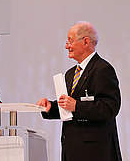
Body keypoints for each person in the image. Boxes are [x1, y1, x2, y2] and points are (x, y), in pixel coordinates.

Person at [36, 22, 122, 161]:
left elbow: (110, 107)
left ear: (86, 41)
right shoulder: (70, 74)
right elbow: (68, 109)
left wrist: (76, 106)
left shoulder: (103, 69)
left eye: (70, 41)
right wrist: (51, 107)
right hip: (72, 150)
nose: (66, 46)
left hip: (95, 152)